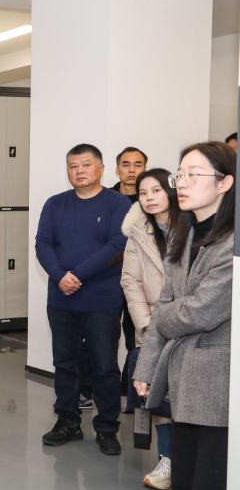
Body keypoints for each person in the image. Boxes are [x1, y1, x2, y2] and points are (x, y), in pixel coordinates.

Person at [134, 142, 234, 490]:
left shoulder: (232, 243)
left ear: (225, 182)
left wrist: (168, 313)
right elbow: (167, 310)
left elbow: (199, 311)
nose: (182, 182)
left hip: (217, 386)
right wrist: (145, 367)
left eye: (194, 173)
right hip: (182, 379)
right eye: (180, 173)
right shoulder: (186, 234)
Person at [36, 144, 132, 454]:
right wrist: (59, 276)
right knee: (65, 364)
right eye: (73, 166)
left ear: (101, 169)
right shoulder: (55, 204)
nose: (79, 171)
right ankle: (68, 421)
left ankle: (107, 428)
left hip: (102, 300)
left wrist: (77, 275)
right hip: (61, 299)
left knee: (104, 366)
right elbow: (43, 243)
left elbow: (118, 244)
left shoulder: (117, 203)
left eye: (86, 164)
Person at [120, 168, 180, 489]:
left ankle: (190, 462)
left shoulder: (193, 226)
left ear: (170, 190)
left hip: (189, 326)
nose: (149, 198)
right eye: (143, 193)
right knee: (159, 400)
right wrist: (147, 323)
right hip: (152, 327)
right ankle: (166, 461)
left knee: (190, 397)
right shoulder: (138, 232)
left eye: (156, 190)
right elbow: (130, 282)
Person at [110, 147, 148, 404]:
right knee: (103, 336)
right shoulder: (107, 199)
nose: (132, 170)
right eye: (126, 164)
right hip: (109, 278)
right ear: (117, 169)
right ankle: (91, 389)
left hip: (140, 281)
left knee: (136, 338)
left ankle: (128, 390)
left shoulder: (152, 200)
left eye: (138, 164)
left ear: (145, 168)